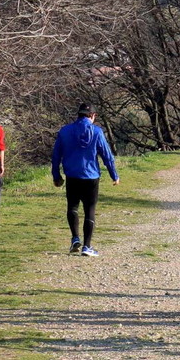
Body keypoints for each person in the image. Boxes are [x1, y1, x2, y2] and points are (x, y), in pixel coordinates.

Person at [52, 103, 120, 256]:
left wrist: (56, 176)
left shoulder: (65, 131)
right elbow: (106, 155)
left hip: (72, 176)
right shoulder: (97, 131)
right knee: (90, 210)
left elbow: (56, 155)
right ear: (92, 116)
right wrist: (114, 175)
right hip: (91, 176)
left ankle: (75, 238)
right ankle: (87, 246)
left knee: (72, 207)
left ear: (79, 114)